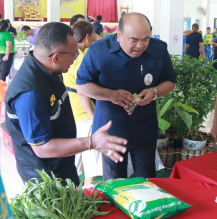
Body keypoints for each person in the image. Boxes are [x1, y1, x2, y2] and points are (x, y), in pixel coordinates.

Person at [5, 22, 127, 185]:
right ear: (56, 57)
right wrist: (92, 142)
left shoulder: (47, 70)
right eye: (73, 54)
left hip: (62, 165)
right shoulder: (30, 94)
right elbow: (42, 148)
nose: (75, 59)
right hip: (46, 179)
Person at [76, 12, 176, 180]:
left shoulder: (158, 49)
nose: (141, 45)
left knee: (146, 181)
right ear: (119, 35)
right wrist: (110, 95)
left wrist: (155, 92)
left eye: (146, 39)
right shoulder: (98, 50)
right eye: (134, 40)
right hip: (110, 129)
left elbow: (170, 82)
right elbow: (82, 84)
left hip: (144, 127)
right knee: (115, 183)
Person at [62, 21, 102, 186]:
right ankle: (89, 184)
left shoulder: (70, 53)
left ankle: (75, 181)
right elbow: (82, 89)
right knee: (89, 147)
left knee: (78, 145)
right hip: (82, 107)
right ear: (87, 36)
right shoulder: (82, 58)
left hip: (71, 105)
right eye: (92, 35)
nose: (93, 39)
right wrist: (93, 116)